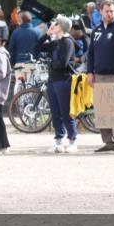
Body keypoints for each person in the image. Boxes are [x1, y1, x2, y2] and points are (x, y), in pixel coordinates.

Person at [86, 0, 114, 153]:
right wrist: (90, 72)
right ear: (100, 11)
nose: (109, 13)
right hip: (99, 75)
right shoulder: (96, 30)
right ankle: (108, 142)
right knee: (103, 110)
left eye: (112, 11)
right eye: (107, 11)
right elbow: (90, 54)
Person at [39, 17, 77, 153]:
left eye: (55, 24)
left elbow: (63, 63)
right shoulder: (55, 42)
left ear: (61, 26)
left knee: (66, 112)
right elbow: (37, 47)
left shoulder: (68, 42)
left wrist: (50, 64)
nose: (53, 25)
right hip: (53, 81)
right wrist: (46, 35)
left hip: (64, 80)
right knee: (55, 112)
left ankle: (72, 141)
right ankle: (58, 141)